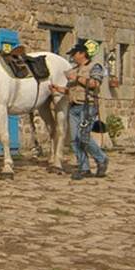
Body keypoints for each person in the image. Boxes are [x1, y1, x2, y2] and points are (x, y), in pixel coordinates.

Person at [52, 39, 109, 180]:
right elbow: (72, 90)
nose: (72, 57)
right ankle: (84, 168)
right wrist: (60, 89)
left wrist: (77, 78)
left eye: (74, 54)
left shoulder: (95, 67)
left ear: (82, 53)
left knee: (84, 137)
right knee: (74, 140)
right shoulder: (74, 70)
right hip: (74, 107)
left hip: (87, 106)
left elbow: (95, 84)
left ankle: (101, 159)